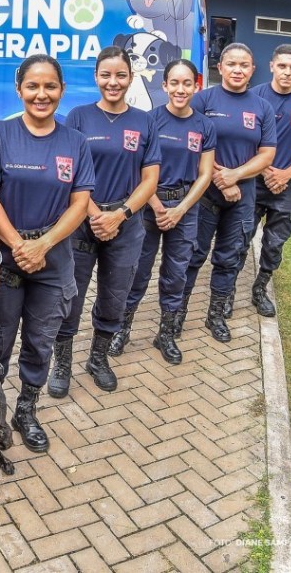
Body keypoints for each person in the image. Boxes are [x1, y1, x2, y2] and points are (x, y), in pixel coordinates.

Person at [0, 54, 93, 452]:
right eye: (32, 86)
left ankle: (26, 411)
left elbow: (80, 203)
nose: (41, 94)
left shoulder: (76, 142)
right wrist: (18, 245)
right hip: (7, 259)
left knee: (40, 341)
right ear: (19, 90)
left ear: (62, 90)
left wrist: (43, 244)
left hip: (53, 260)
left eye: (50, 86)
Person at [48, 46, 160, 396]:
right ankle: (62, 363)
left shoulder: (145, 121)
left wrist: (120, 215)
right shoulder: (78, 117)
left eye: (121, 75)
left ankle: (97, 358)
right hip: (82, 222)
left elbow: (150, 180)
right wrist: (96, 214)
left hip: (126, 225)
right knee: (70, 295)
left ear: (131, 77)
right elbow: (67, 173)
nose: (113, 82)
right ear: (96, 77)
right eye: (106, 75)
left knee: (115, 295)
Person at [108, 60, 215, 365]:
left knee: (176, 274)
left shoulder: (205, 126)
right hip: (147, 208)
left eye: (187, 83)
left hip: (185, 208)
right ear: (165, 85)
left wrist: (180, 209)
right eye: (174, 83)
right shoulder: (149, 121)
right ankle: (121, 330)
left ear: (196, 86)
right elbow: (138, 170)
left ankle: (166, 334)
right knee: (137, 271)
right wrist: (156, 206)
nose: (181, 89)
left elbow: (205, 174)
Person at [183, 43, 276, 342]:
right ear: (220, 67)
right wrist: (220, 178)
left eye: (244, 65)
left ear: (252, 70)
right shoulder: (203, 100)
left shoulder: (262, 107)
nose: (237, 70)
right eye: (232, 64)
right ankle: (176, 317)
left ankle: (216, 316)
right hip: (204, 194)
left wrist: (235, 176)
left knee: (228, 258)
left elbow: (267, 154)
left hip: (242, 197)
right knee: (193, 256)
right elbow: (191, 144)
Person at [236, 44, 291, 316]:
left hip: (286, 184)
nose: (287, 72)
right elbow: (244, 141)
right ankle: (226, 291)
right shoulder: (253, 97)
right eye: (282, 66)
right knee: (239, 236)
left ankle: (260, 288)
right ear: (272, 66)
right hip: (253, 181)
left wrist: (286, 174)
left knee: (275, 242)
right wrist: (265, 170)